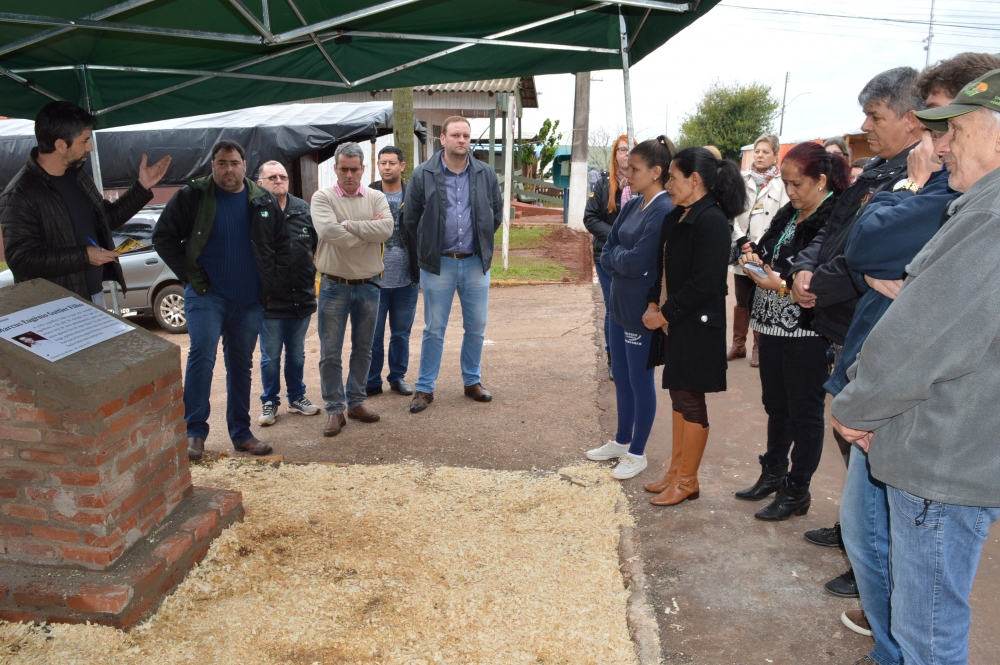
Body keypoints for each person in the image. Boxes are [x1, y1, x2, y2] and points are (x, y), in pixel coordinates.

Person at [828, 54, 998, 665]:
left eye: (956, 128)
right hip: (952, 446)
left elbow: (920, 338)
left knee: (928, 630)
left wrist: (855, 407)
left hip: (942, 453)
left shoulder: (991, 215)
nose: (942, 145)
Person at [790, 67, 925, 600]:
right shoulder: (875, 171)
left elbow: (870, 255)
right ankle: (855, 536)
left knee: (869, 443)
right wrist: (804, 268)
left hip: (865, 325)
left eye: (876, 116)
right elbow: (827, 230)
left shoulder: (917, 182)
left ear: (912, 119)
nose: (866, 126)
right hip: (840, 319)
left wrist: (817, 284)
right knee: (849, 437)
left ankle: (869, 560)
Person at [152, 140, 289, 461]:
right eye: (221, 163)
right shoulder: (193, 195)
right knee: (202, 357)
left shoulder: (262, 198)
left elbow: (282, 246)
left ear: (245, 165)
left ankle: (241, 434)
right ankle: (194, 433)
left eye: (234, 163)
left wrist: (270, 285)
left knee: (240, 366)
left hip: (249, 300)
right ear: (212, 165)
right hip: (206, 295)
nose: (228, 169)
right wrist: (191, 276)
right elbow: (163, 236)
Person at [734, 142, 849, 520]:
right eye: (786, 184)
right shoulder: (791, 211)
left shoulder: (835, 215)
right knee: (776, 405)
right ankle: (773, 472)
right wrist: (752, 257)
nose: (791, 192)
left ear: (820, 180)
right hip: (770, 324)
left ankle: (797, 489)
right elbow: (770, 253)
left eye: (797, 184)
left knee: (805, 412)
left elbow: (817, 279)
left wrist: (780, 285)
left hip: (806, 331)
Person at [640, 147, 747, 503]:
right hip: (674, 321)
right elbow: (662, 268)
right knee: (678, 393)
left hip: (696, 325)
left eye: (673, 177)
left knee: (690, 396)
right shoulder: (678, 216)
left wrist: (664, 314)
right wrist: (653, 302)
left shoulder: (713, 221)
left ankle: (687, 482)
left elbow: (703, 284)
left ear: (695, 179)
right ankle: (675, 472)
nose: (667, 183)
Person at [0, 101, 169, 305]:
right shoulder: (20, 194)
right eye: (85, 140)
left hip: (93, 294)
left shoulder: (78, 176)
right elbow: (21, 259)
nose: (90, 147)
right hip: (53, 306)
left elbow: (106, 218)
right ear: (60, 145)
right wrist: (84, 256)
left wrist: (142, 188)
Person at [584, 136, 676, 481]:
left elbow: (639, 260)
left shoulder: (664, 208)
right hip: (619, 304)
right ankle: (622, 440)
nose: (627, 172)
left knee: (640, 379)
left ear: (655, 172)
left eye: (635, 168)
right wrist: (622, 258)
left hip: (642, 307)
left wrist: (621, 258)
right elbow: (609, 251)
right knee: (621, 376)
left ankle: (638, 452)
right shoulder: (632, 203)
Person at [403, 116, 503, 414]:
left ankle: (472, 381)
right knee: (434, 328)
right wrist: (429, 247)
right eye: (456, 135)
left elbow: (494, 214)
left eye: (466, 136)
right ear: (442, 139)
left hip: (474, 263)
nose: (462, 140)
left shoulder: (485, 173)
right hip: (439, 264)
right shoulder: (423, 174)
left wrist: (481, 242)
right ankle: (425, 388)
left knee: (476, 327)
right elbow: (411, 220)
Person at [311, 143, 393, 436]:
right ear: (335, 168)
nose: (348, 174)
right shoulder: (322, 198)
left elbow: (386, 230)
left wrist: (347, 226)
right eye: (343, 168)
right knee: (330, 352)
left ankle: (356, 402)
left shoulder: (376, 196)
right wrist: (364, 232)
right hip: (334, 285)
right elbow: (328, 232)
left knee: (364, 349)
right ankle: (335, 409)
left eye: (354, 169)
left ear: (362, 169)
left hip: (369, 285)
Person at [255, 160, 321, 427]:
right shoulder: (254, 211)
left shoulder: (304, 210)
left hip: (301, 297)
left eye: (282, 176)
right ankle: (269, 402)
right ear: (260, 183)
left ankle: (296, 397)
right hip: (270, 301)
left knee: (297, 354)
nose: (278, 180)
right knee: (270, 356)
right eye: (272, 177)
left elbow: (313, 246)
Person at [729, 133, 788, 366]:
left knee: (762, 296)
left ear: (775, 155)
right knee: (741, 299)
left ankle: (758, 346)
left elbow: (783, 217)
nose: (761, 155)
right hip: (742, 248)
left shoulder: (782, 183)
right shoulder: (741, 179)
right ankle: (738, 345)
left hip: (766, 251)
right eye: (758, 151)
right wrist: (743, 240)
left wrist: (762, 246)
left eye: (766, 151)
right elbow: (730, 212)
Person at [367, 146, 418, 398]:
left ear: (402, 166)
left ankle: (397, 377)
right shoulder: (367, 193)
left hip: (406, 280)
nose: (386, 167)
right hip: (373, 280)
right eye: (382, 162)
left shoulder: (413, 194)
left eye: (391, 162)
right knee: (372, 336)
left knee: (400, 334)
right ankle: (371, 381)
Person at [583, 134, 632, 380]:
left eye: (631, 149)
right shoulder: (603, 184)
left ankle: (630, 356)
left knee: (632, 308)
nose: (626, 153)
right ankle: (614, 357)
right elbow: (590, 218)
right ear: (615, 154)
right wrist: (616, 235)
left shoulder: (642, 185)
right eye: (622, 149)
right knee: (613, 309)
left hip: (634, 258)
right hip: (607, 255)